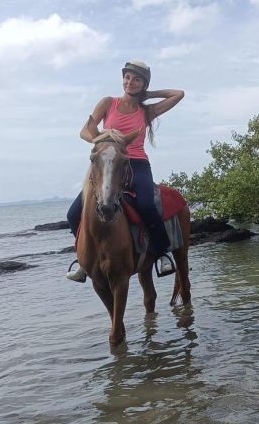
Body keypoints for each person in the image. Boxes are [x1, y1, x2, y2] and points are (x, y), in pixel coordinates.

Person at [65, 61, 185, 281]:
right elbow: (85, 131)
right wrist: (104, 142)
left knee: (147, 205)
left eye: (137, 79)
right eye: (127, 77)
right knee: (73, 214)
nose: (130, 82)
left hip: (137, 164)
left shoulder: (146, 111)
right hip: (107, 164)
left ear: (143, 84)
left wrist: (149, 94)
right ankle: (83, 260)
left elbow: (178, 94)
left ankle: (162, 253)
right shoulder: (108, 103)